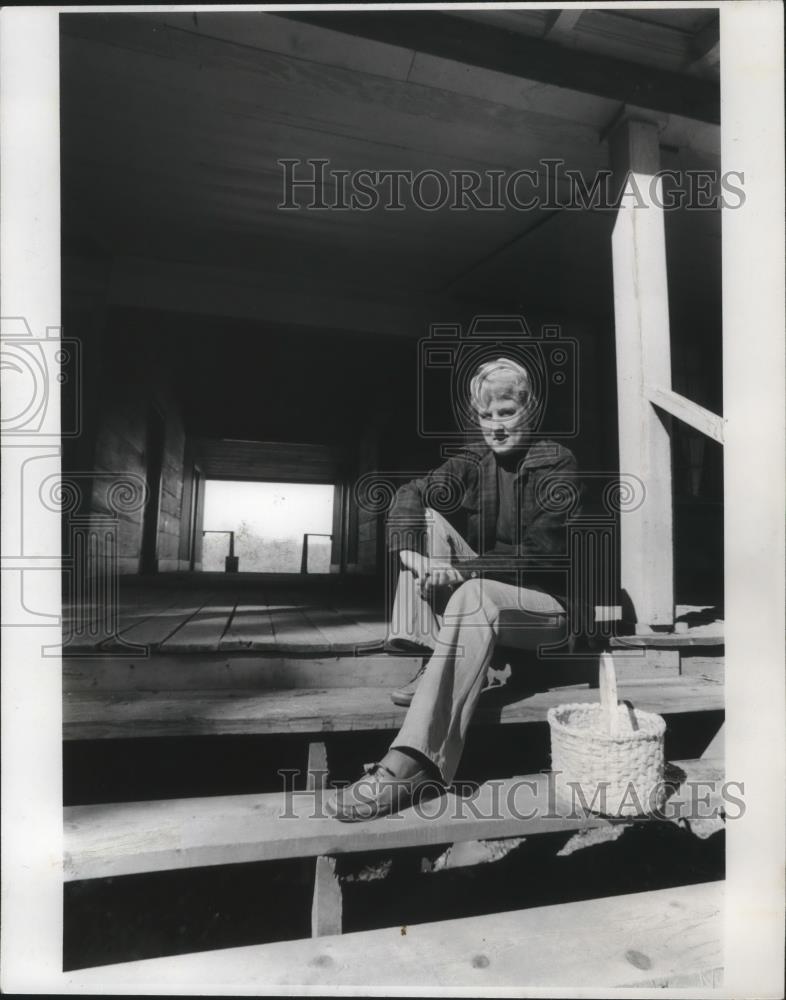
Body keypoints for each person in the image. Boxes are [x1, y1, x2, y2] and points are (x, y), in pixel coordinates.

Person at [329, 357, 580, 822]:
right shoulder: (473, 461)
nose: (496, 427)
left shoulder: (556, 461)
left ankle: (415, 763)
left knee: (473, 593)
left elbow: (543, 552)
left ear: (531, 411)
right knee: (424, 518)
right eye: (487, 417)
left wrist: (460, 569)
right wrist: (410, 554)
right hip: (480, 597)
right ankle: (430, 655)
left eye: (507, 413)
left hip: (544, 611)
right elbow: (411, 491)